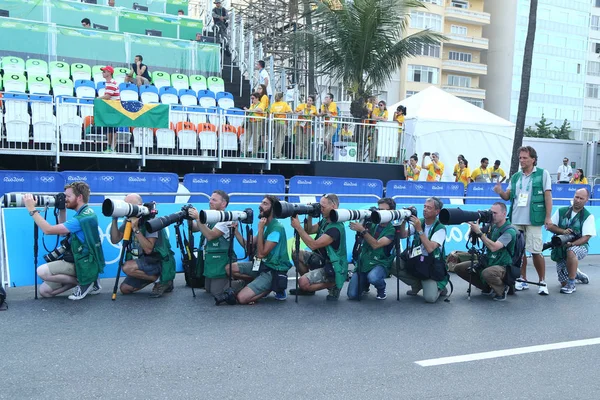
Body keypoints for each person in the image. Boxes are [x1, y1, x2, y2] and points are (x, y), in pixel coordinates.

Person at [24, 182, 105, 301]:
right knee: (45, 291)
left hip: (82, 262)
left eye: (68, 197)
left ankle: (86, 282)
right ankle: (86, 281)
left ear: (79, 197)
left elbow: (48, 230)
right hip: (80, 259)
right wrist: (62, 209)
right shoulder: (85, 213)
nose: (65, 199)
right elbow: (63, 233)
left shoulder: (81, 218)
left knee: (41, 271)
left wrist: (32, 209)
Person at [494, 146, 552, 295]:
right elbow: (507, 197)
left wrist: (548, 217)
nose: (522, 160)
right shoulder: (516, 177)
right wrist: (500, 192)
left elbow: (547, 196)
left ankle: (542, 282)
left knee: (536, 252)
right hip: (516, 219)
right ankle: (522, 280)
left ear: (533, 159)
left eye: (525, 158)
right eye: (520, 158)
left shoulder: (542, 174)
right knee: (519, 253)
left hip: (534, 219)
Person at [228, 196, 292, 304]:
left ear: (273, 209)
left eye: (265, 204)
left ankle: (273, 286)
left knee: (241, 298)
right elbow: (248, 245)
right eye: (261, 203)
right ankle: (259, 284)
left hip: (273, 269)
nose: (260, 206)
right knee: (229, 268)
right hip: (261, 265)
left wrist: (261, 229)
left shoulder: (276, 228)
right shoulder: (265, 225)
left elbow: (261, 254)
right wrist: (236, 231)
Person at [109, 194, 176, 297]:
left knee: (127, 267)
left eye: (129, 205)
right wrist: (114, 219)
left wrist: (135, 229)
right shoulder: (129, 220)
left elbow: (149, 249)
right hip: (144, 261)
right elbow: (115, 239)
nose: (127, 209)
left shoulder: (152, 221)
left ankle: (162, 280)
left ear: (139, 206)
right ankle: (157, 279)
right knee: (125, 289)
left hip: (157, 261)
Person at [453, 202, 517, 301]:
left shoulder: (509, 231)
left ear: (504, 214)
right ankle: (486, 287)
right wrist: (474, 229)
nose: (492, 215)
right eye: (491, 212)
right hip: (489, 261)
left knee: (487, 273)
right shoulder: (493, 226)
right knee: (459, 268)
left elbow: (494, 247)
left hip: (503, 265)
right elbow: (475, 236)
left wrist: (479, 232)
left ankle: (502, 289)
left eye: (495, 213)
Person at [289, 194, 348, 300]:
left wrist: (298, 227)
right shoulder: (326, 220)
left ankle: (333, 283)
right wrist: (310, 214)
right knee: (296, 254)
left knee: (302, 282)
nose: (320, 209)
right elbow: (309, 230)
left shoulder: (335, 228)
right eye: (319, 206)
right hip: (323, 259)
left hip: (333, 266)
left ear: (333, 206)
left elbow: (313, 244)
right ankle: (309, 285)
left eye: (323, 207)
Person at [391, 197, 449, 303]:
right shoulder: (420, 222)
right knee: (394, 263)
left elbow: (430, 248)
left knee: (430, 298)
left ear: (437, 211)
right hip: (418, 259)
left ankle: (440, 288)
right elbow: (403, 235)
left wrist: (419, 230)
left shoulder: (440, 228)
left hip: (431, 265)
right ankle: (416, 285)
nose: (425, 209)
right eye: (424, 206)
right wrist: (404, 220)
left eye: (429, 208)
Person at [188, 190, 243, 296]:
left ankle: (243, 283)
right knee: (208, 289)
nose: (210, 202)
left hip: (222, 260)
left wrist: (198, 218)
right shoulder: (211, 216)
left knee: (216, 291)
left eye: (214, 200)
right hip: (211, 259)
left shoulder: (227, 218)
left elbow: (210, 236)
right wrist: (190, 219)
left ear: (223, 204)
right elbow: (195, 228)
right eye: (210, 199)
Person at [347, 198, 397, 300]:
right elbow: (360, 241)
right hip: (364, 262)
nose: (379, 213)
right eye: (379, 210)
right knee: (352, 295)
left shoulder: (392, 230)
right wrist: (360, 226)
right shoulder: (372, 223)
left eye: (383, 210)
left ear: (391, 212)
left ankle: (381, 288)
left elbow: (376, 245)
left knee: (373, 277)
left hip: (380, 263)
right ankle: (365, 284)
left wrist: (362, 230)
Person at [547, 188, 595, 294]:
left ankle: (572, 283)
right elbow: (549, 226)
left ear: (586, 200)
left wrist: (572, 244)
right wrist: (563, 231)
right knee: (563, 282)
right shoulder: (562, 211)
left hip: (580, 246)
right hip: (561, 245)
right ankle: (576, 273)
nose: (577, 200)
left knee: (571, 251)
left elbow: (586, 237)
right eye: (576, 197)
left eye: (581, 198)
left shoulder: (588, 216)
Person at [99, 65, 120, 153]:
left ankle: (112, 148)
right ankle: (110, 148)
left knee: (112, 129)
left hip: (113, 109)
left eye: (104, 71)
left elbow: (107, 96)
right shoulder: (109, 83)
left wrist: (97, 99)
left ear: (109, 73)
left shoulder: (111, 83)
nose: (102, 73)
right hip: (111, 108)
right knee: (110, 129)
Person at [242, 92, 265, 157]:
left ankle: (254, 153)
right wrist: (248, 111)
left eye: (253, 98)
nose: (252, 100)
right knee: (247, 138)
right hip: (250, 122)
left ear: (257, 98)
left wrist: (250, 110)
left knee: (255, 139)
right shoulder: (252, 105)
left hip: (257, 122)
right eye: (251, 98)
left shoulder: (261, 104)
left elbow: (260, 110)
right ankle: (243, 152)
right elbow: (251, 111)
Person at [270, 92, 292, 159]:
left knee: (276, 138)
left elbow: (270, 113)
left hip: (275, 122)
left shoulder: (273, 105)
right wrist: (284, 112)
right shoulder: (284, 104)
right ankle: (278, 154)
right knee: (280, 139)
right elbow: (290, 111)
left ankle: (275, 153)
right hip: (282, 123)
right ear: (281, 98)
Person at [294, 95, 317, 160]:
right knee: (299, 140)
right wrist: (299, 113)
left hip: (308, 126)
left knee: (305, 141)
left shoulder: (314, 108)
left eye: (310, 100)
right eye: (308, 100)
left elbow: (316, 115)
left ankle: (304, 155)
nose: (308, 102)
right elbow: (294, 112)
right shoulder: (301, 105)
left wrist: (313, 115)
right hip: (299, 125)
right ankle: (297, 155)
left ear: (312, 102)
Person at [319, 93, 338, 160]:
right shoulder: (323, 105)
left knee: (326, 139)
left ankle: (330, 153)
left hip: (332, 125)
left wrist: (325, 108)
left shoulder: (333, 104)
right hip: (326, 125)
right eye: (325, 97)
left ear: (331, 99)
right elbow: (321, 113)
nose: (325, 99)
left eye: (327, 97)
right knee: (324, 140)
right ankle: (328, 153)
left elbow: (329, 113)